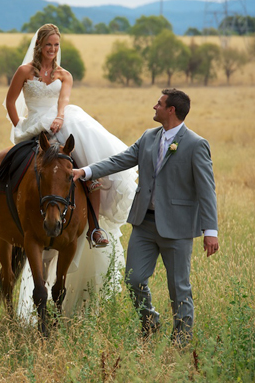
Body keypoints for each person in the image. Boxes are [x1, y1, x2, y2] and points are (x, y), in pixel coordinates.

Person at [4, 23, 138, 320]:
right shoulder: (25, 71)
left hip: (59, 123)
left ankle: (93, 226)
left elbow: (62, 102)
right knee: (16, 163)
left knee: (84, 170)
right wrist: (19, 126)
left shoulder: (65, 75)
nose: (52, 50)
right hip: (33, 126)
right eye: (48, 45)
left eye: (56, 45)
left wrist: (60, 119)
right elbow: (10, 101)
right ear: (39, 46)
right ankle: (2, 194)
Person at [72, 88, 219, 346]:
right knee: (133, 279)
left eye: (159, 103)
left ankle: (182, 339)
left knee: (179, 288)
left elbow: (207, 190)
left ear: (171, 110)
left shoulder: (196, 144)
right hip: (144, 223)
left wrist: (211, 231)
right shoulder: (149, 137)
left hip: (178, 228)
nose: (155, 107)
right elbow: (121, 160)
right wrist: (86, 171)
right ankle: (149, 321)